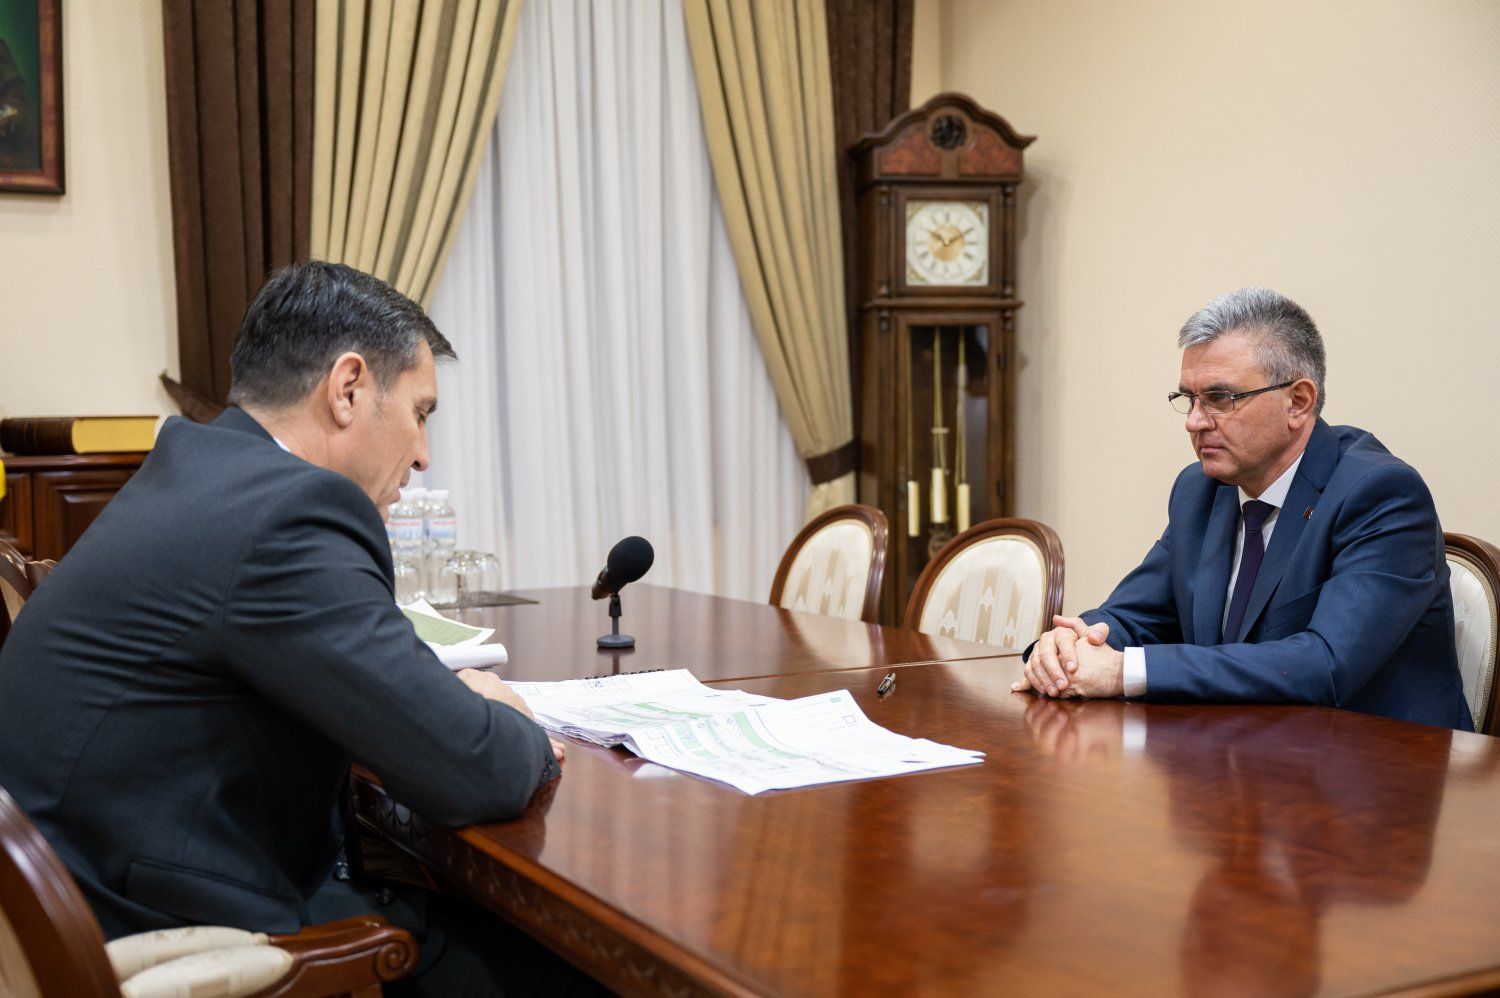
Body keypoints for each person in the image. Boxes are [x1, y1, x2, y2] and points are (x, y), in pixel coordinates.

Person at [0, 262, 591, 994]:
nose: (423, 454)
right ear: (348, 389)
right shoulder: (287, 516)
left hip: (82, 899)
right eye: (421, 413)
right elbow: (470, 770)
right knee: (576, 969)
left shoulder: (203, 471)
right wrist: (510, 716)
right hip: (162, 934)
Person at [1017, 286, 1472, 730]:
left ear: (1298, 402)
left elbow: (1325, 665)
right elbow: (1135, 616)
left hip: (1382, 764)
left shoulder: (1380, 495)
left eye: (1220, 398)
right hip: (1244, 753)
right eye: (1189, 399)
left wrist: (1124, 671)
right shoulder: (1201, 490)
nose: (1195, 421)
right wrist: (1069, 645)